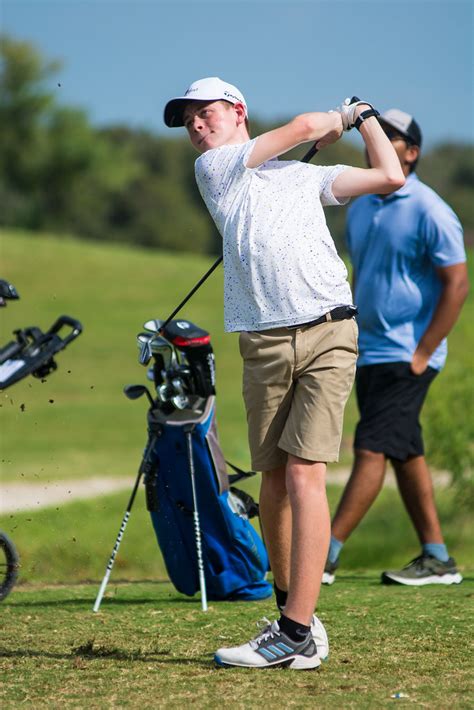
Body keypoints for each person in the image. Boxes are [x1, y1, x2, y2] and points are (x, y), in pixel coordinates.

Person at [164, 77, 404, 670]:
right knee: (273, 479)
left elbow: (390, 176)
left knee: (304, 474)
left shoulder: (304, 178)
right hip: (263, 342)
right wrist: (336, 116)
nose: (196, 125)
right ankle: (290, 613)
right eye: (188, 120)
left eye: (205, 113)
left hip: (329, 330)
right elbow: (301, 129)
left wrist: (366, 116)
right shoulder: (216, 170)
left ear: (236, 111)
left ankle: (296, 631)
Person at [324, 109, 469, 587]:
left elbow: (457, 284)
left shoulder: (430, 209)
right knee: (404, 450)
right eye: (375, 135)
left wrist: (425, 350)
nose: (379, 141)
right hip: (369, 348)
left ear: (412, 152)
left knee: (371, 448)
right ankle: (437, 556)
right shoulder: (362, 202)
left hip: (407, 354)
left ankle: (324, 554)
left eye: (392, 137)